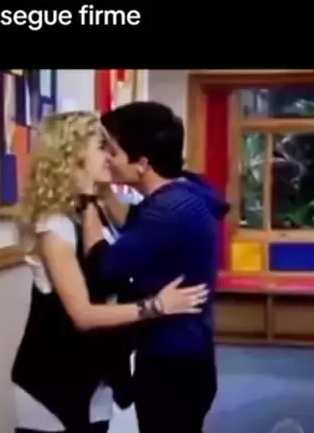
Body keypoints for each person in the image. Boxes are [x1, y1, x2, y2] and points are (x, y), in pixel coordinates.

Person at [11, 111, 210, 433]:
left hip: (95, 381)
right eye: (101, 147)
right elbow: (83, 315)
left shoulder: (93, 212)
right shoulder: (54, 224)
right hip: (52, 380)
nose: (110, 156)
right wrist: (157, 306)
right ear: (74, 156)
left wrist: (97, 194)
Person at [81, 102, 230, 433]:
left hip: (171, 364)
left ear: (143, 163)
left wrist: (87, 197)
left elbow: (104, 267)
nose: (106, 157)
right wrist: (105, 193)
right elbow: (137, 226)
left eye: (113, 150)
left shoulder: (168, 210)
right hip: (190, 356)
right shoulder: (182, 193)